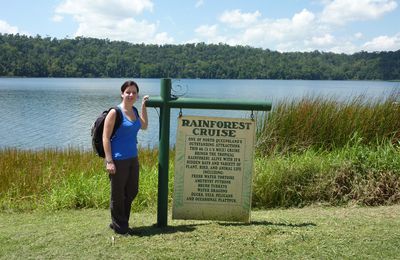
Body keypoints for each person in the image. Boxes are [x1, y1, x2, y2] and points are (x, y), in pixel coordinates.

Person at [103, 80, 149, 235]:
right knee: (117, 194)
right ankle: (121, 227)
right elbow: (105, 138)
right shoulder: (115, 112)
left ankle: (120, 221)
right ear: (122, 93)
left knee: (131, 191)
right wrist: (109, 161)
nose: (131, 95)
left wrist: (143, 106)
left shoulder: (135, 111)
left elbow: (144, 126)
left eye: (134, 92)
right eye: (128, 92)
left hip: (132, 159)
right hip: (118, 159)